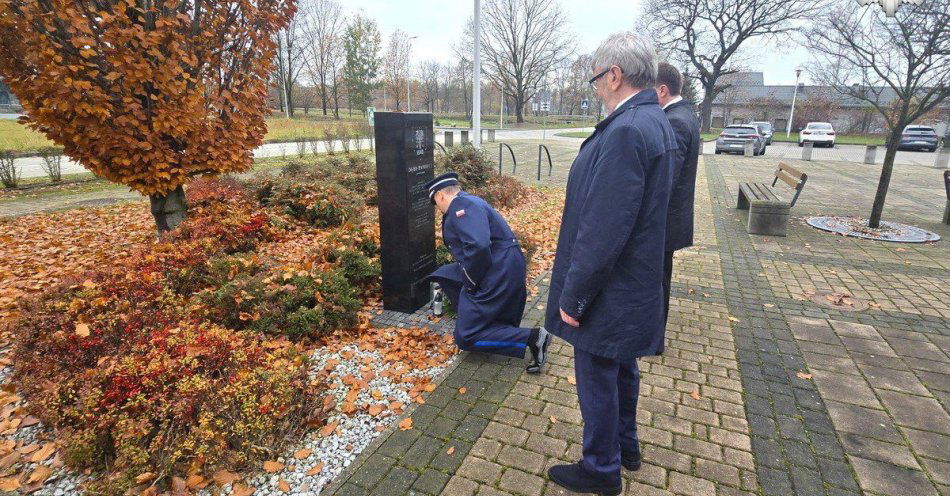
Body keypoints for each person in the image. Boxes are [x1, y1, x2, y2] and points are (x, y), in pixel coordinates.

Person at [544, 32, 676, 496]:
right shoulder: (653, 120)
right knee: (621, 365)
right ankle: (626, 444)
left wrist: (575, 298)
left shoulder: (625, 131)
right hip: (633, 281)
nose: (596, 88)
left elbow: (603, 229)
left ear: (615, 75)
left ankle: (601, 468)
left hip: (609, 286)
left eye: (598, 79)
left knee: (598, 373)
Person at [425, 172, 552, 373]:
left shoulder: (460, 206)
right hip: (502, 264)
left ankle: (532, 337)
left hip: (496, 268)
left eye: (435, 202)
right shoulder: (470, 201)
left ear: (440, 195)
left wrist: (470, 281)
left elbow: (477, 246)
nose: (437, 208)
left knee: (466, 338)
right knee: (445, 275)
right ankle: (493, 328)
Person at [656, 62, 700, 325]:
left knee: (658, 280)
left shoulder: (675, 121)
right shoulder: (685, 114)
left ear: (661, 90)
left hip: (665, 221)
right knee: (661, 276)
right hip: (671, 219)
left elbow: (666, 179)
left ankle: (653, 334)